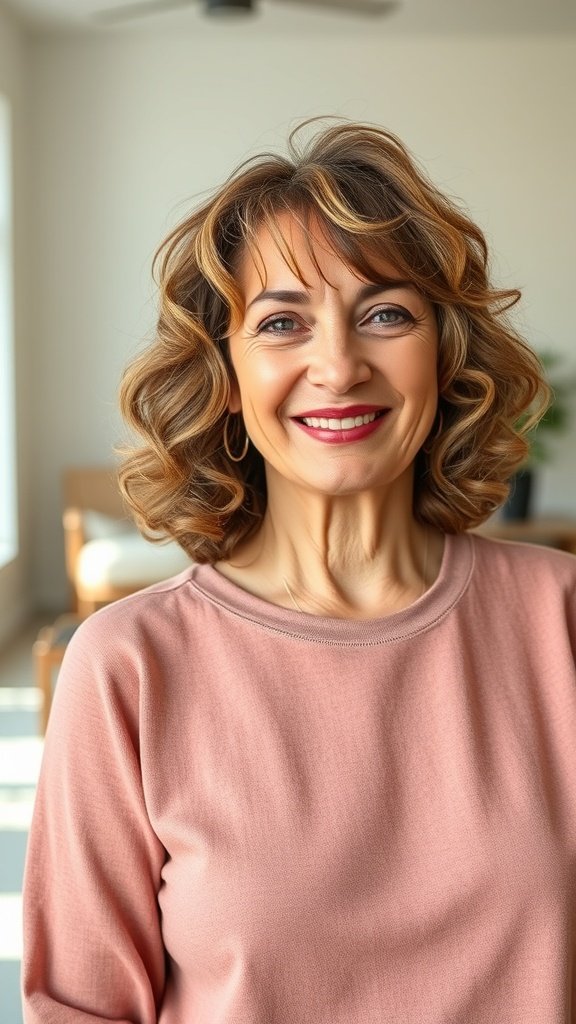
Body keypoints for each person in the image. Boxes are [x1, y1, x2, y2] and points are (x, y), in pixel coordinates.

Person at [22, 119, 576, 1023]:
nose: (339, 366)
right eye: (282, 322)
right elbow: (80, 1008)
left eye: (385, 314)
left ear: (444, 353)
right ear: (226, 373)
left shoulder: (562, 618)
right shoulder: (128, 666)